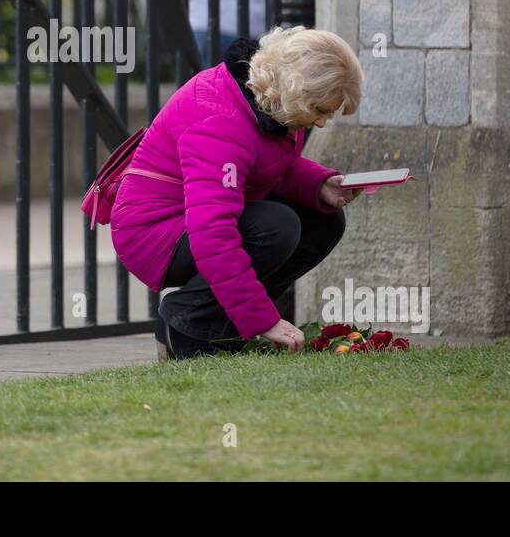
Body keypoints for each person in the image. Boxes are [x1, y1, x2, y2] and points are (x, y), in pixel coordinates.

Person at [109, 26, 365, 360]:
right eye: (320, 110)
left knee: (324, 221)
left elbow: (270, 167)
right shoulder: (220, 120)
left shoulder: (275, 104)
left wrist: (319, 184)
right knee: (277, 226)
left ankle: (224, 327)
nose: (320, 124)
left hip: (192, 217)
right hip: (153, 233)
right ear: (294, 89)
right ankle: (186, 325)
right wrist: (265, 320)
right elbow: (213, 232)